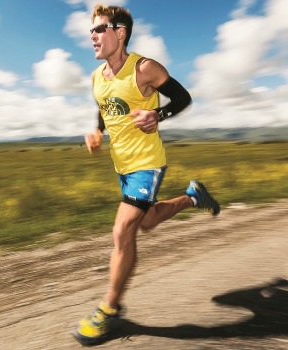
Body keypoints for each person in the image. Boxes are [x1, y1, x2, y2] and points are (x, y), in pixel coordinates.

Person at [73, 4, 221, 345]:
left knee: (123, 229)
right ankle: (193, 195)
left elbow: (182, 97)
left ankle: (110, 310)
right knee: (149, 221)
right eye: (90, 31)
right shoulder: (97, 78)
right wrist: (97, 132)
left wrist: (159, 115)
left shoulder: (144, 68)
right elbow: (104, 105)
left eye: (98, 29)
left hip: (147, 163)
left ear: (119, 33)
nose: (92, 36)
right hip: (122, 166)